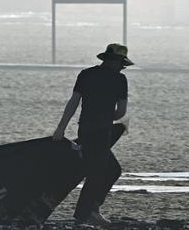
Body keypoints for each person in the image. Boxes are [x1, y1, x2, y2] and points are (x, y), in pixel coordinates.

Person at [52, 43, 132, 227]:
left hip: (85, 130)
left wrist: (61, 128)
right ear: (116, 62)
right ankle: (85, 214)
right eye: (121, 63)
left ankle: (90, 211)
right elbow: (121, 112)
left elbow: (73, 103)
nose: (122, 67)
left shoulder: (86, 74)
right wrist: (108, 117)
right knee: (99, 172)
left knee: (106, 170)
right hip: (102, 131)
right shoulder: (120, 80)